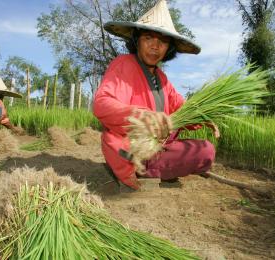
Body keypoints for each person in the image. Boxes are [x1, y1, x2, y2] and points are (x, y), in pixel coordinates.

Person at [94, 0, 219, 190]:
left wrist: (203, 117)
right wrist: (143, 116)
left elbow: (181, 107)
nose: (155, 46)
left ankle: (158, 168)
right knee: (119, 146)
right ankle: (140, 171)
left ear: (169, 49)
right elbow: (102, 103)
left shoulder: (162, 78)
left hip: (158, 147)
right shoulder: (124, 64)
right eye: (148, 38)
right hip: (132, 150)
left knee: (205, 150)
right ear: (136, 40)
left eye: (162, 42)